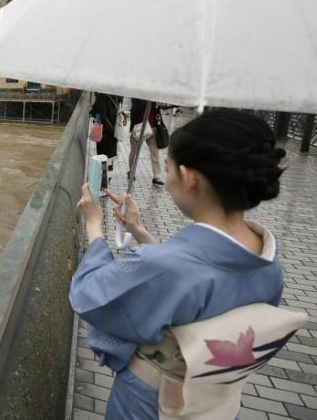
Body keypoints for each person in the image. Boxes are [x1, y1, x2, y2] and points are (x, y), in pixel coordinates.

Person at [70, 109, 286, 419]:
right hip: (218, 405)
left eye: (169, 168)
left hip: (151, 404)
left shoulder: (164, 266)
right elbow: (189, 275)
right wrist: (139, 231)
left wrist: (94, 223)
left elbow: (91, 295)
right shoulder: (267, 262)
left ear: (189, 177)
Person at [90, 93, 123, 187]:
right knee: (110, 158)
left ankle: (104, 182)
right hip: (113, 130)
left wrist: (92, 111)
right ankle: (107, 179)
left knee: (103, 157)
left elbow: (101, 115)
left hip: (105, 132)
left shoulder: (102, 96)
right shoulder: (115, 95)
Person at [129, 99, 164, 185]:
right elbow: (134, 110)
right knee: (134, 151)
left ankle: (157, 176)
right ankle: (131, 171)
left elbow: (159, 109)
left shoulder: (155, 97)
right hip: (139, 127)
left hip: (152, 127)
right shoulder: (138, 96)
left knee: (155, 153)